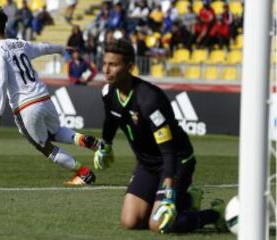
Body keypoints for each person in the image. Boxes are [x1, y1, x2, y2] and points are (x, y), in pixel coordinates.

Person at [94, 39, 227, 233]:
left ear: (130, 67)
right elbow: (111, 119)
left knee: (158, 225)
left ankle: (214, 214)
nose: (106, 70)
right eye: (104, 63)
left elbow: (169, 150)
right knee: (130, 222)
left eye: (113, 64)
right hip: (147, 164)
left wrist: (170, 191)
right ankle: (189, 199)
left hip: (175, 161)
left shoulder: (149, 99)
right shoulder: (108, 92)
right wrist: (106, 144)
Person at [0, 6, 99, 185]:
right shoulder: (19, 43)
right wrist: (60, 48)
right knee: (56, 132)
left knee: (43, 146)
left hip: (26, 107)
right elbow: (41, 48)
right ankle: (87, 141)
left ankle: (83, 173)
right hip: (44, 98)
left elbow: (1, 80)